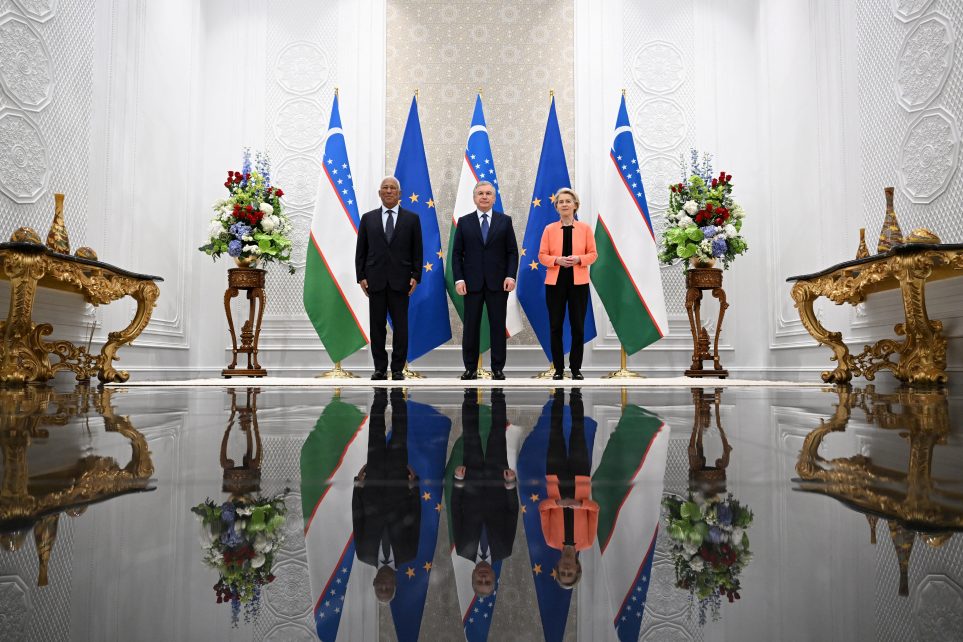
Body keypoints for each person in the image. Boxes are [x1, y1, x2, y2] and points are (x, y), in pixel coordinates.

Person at [352, 388, 420, 603]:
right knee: (401, 431)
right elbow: (416, 519)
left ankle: (380, 394)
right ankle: (398, 395)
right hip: (399, 484)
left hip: (372, 483)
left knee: (375, 433)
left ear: (374, 583)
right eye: (387, 588)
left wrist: (358, 486)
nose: (384, 584)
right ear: (395, 583)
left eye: (380, 588)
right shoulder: (408, 554)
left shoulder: (363, 554)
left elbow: (358, 518)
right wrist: (413, 487)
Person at [451, 388, 518, 597]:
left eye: (479, 581)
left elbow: (455, 510)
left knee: (470, 432)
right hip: (497, 481)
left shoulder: (462, 549)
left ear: (472, 577)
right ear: (493, 577)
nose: (482, 577)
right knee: (498, 433)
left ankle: (469, 392)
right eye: (486, 581)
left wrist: (459, 482)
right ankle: (498, 392)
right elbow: (512, 513)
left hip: (470, 479)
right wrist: (509, 485)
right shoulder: (505, 550)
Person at [356, 176, 423, 380]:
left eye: (392, 188)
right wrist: (361, 277)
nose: (388, 191)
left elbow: (417, 251)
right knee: (377, 328)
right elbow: (361, 251)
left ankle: (397, 369)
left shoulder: (412, 219)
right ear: (379, 193)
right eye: (385, 188)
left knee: (401, 328)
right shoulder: (368, 219)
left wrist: (416, 276)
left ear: (399, 193)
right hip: (374, 281)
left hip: (401, 281)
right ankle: (379, 368)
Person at [452, 181, 519, 380]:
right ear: (474, 198)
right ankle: (470, 368)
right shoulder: (464, 222)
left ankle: (497, 368)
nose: (484, 196)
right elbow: (456, 254)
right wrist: (459, 279)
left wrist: (510, 276)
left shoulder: (504, 221)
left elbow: (512, 252)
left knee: (497, 326)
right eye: (480, 193)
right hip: (471, 284)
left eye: (488, 193)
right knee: (471, 326)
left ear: (494, 198)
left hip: (498, 283)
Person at [539, 388, 598, 589]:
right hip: (579, 481)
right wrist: (579, 504)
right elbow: (595, 509)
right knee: (578, 432)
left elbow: (543, 509)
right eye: (569, 572)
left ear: (557, 566)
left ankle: (557, 394)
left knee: (555, 432)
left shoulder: (550, 540)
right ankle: (575, 394)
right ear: (577, 568)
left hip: (556, 480)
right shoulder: (587, 542)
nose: (565, 569)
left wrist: (557, 503)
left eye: (562, 572)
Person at [537, 187, 597, 380]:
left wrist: (579, 259)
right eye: (560, 202)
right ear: (556, 207)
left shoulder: (585, 228)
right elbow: (542, 256)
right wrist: (557, 261)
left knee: (577, 326)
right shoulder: (549, 229)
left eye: (568, 201)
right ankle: (558, 369)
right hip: (555, 283)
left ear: (575, 205)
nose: (564, 204)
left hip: (578, 283)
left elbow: (593, 254)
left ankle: (576, 369)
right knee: (555, 326)